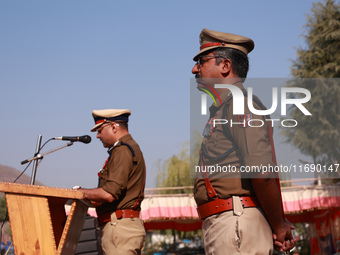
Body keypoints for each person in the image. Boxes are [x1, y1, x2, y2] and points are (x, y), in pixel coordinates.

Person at [192, 28, 295, 254]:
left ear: (225, 66)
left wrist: (278, 225)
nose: (194, 69)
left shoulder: (240, 105)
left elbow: (260, 171)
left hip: (235, 221)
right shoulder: (225, 108)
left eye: (201, 61)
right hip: (229, 222)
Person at [78, 109, 146, 255]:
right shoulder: (126, 148)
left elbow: (109, 194)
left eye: (100, 129)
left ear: (114, 127)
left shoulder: (122, 150)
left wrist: (79, 192)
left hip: (119, 227)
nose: (97, 135)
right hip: (123, 226)